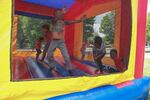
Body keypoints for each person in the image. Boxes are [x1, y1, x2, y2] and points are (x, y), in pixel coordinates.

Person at [47, 7, 86, 75]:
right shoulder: (53, 21)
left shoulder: (64, 22)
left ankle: (69, 69)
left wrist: (80, 20)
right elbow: (55, 20)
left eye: (60, 13)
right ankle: (51, 66)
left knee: (66, 56)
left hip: (61, 42)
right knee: (49, 54)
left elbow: (72, 22)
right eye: (57, 13)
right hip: (54, 41)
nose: (59, 14)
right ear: (55, 15)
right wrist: (62, 13)